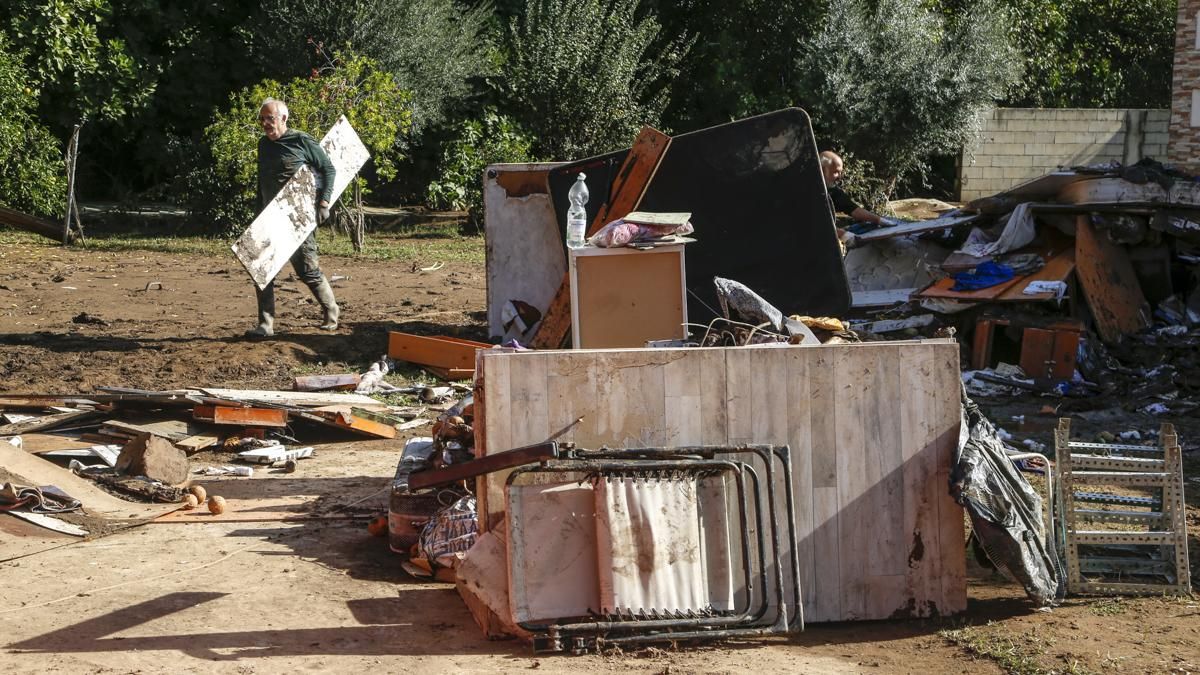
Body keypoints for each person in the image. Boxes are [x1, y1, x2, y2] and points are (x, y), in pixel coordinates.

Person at [246, 97, 340, 338]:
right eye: (263, 119)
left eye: (271, 118)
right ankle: (266, 325)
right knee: (261, 270)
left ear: (283, 118)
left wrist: (324, 202)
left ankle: (331, 312)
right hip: (270, 219)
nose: (266, 123)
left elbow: (328, 169)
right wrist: (258, 214)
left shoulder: (301, 140)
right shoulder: (263, 145)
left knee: (307, 270)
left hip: (297, 218)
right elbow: (262, 183)